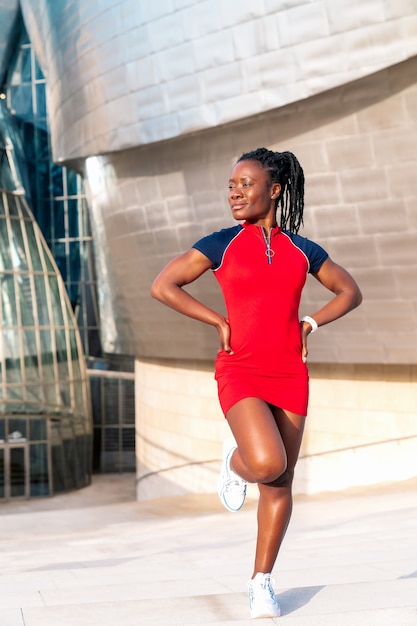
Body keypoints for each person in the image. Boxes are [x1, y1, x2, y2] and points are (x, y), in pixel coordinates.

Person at [151, 147, 362, 619]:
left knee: (281, 481)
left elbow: (350, 291)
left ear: (275, 189)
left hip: (289, 371)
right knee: (267, 462)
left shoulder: (301, 249)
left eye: (245, 184)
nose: (235, 193)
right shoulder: (220, 243)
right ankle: (235, 458)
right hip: (240, 367)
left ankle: (261, 581)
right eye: (231, 186)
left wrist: (311, 322)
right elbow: (163, 285)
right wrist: (216, 321)